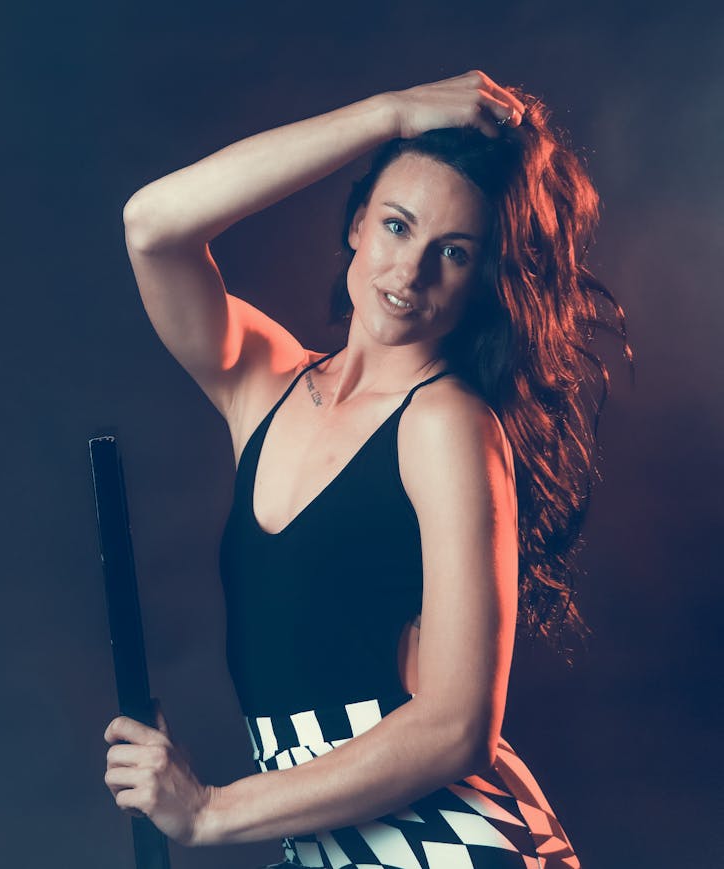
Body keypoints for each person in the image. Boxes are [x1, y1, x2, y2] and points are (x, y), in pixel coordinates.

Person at [103, 68, 631, 868]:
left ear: (477, 280)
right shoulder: (265, 386)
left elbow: (457, 726)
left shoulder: (447, 423)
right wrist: (389, 115)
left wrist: (211, 811)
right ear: (355, 225)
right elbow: (152, 224)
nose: (408, 273)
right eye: (395, 225)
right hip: (329, 846)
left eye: (451, 253)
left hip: (447, 844)